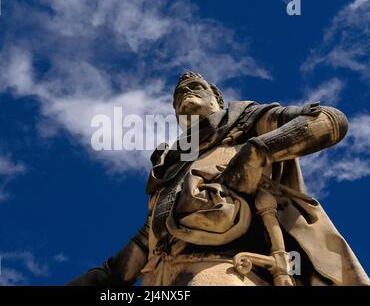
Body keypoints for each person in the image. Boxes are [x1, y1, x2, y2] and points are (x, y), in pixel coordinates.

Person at [68, 71, 370, 286]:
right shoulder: (170, 174)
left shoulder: (248, 121)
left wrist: (256, 153)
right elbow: (125, 265)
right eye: (177, 97)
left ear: (217, 99)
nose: (185, 93)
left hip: (231, 268)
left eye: (196, 87)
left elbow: (329, 121)